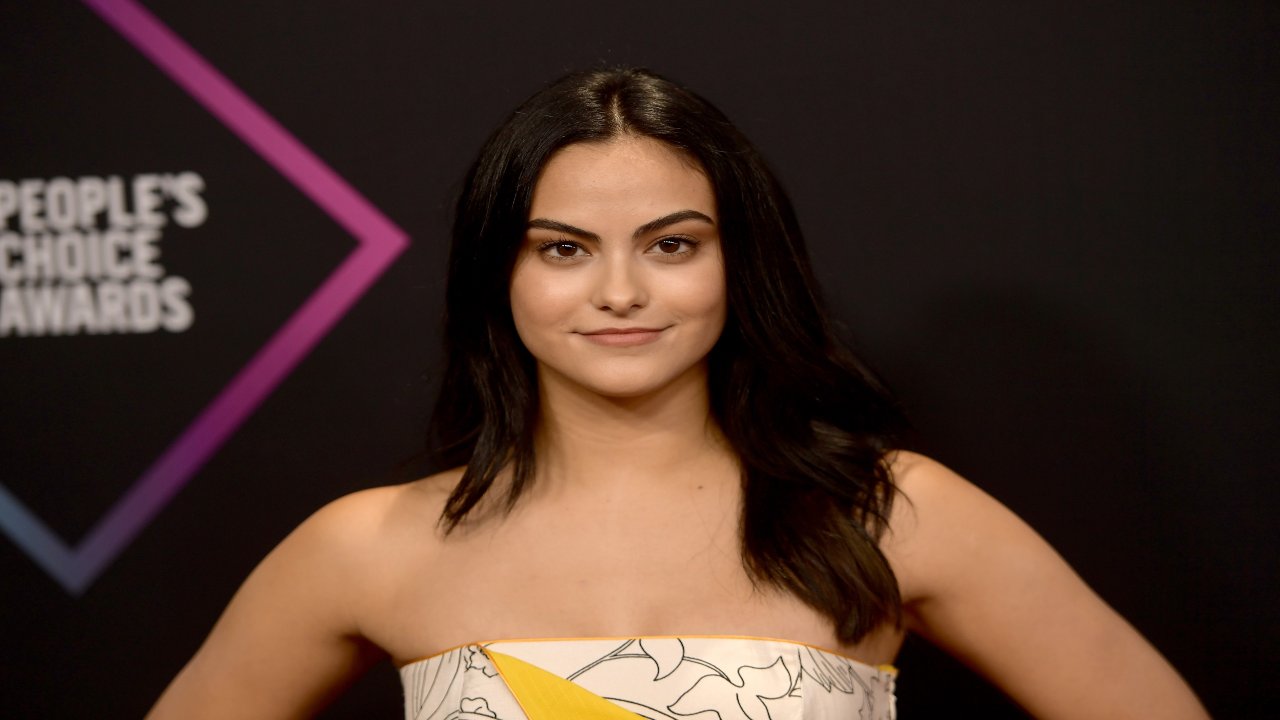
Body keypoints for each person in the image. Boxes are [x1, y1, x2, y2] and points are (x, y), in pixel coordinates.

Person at [149, 68, 1209, 719]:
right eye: (562, 248)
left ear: (739, 264)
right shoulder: (368, 547)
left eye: (670, 245)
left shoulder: (888, 512)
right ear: (496, 276)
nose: (619, 291)